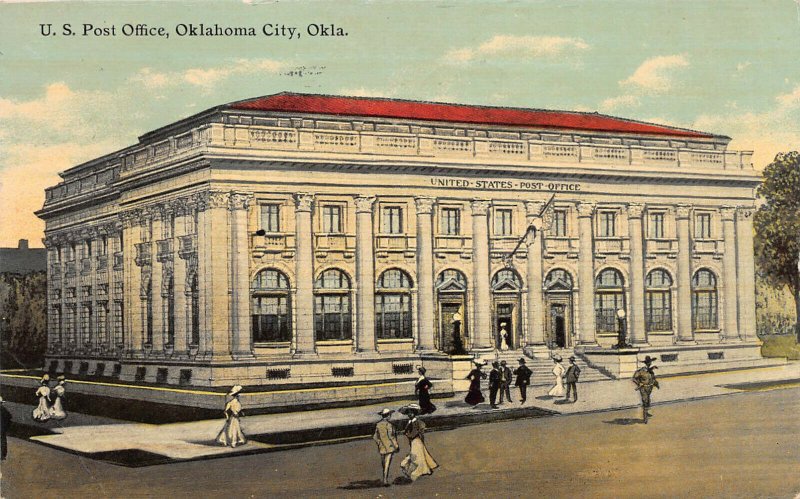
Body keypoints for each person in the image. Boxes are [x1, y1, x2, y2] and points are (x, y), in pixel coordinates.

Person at [399, 404, 438, 482]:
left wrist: (408, 434)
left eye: (411, 413)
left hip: (416, 441)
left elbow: (415, 433)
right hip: (413, 441)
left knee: (416, 456)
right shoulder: (409, 422)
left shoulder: (418, 422)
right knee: (419, 456)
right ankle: (424, 470)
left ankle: (417, 471)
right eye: (408, 413)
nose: (409, 414)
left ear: (414, 413)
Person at [372, 408, 399, 486]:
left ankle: (385, 478)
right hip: (389, 446)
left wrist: (379, 443)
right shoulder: (389, 425)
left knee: (383, 463)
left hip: (382, 447)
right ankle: (385, 480)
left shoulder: (378, 424)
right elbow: (391, 437)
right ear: (388, 416)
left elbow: (375, 436)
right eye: (390, 415)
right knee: (387, 463)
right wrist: (396, 445)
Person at [632, 355, 659, 423]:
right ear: (646, 363)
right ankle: (645, 417)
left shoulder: (651, 371)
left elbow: (653, 379)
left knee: (648, 400)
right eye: (648, 363)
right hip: (643, 388)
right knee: (645, 400)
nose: (649, 364)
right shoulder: (641, 371)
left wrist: (656, 384)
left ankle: (646, 411)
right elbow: (634, 378)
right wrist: (639, 383)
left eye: (650, 362)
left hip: (649, 388)